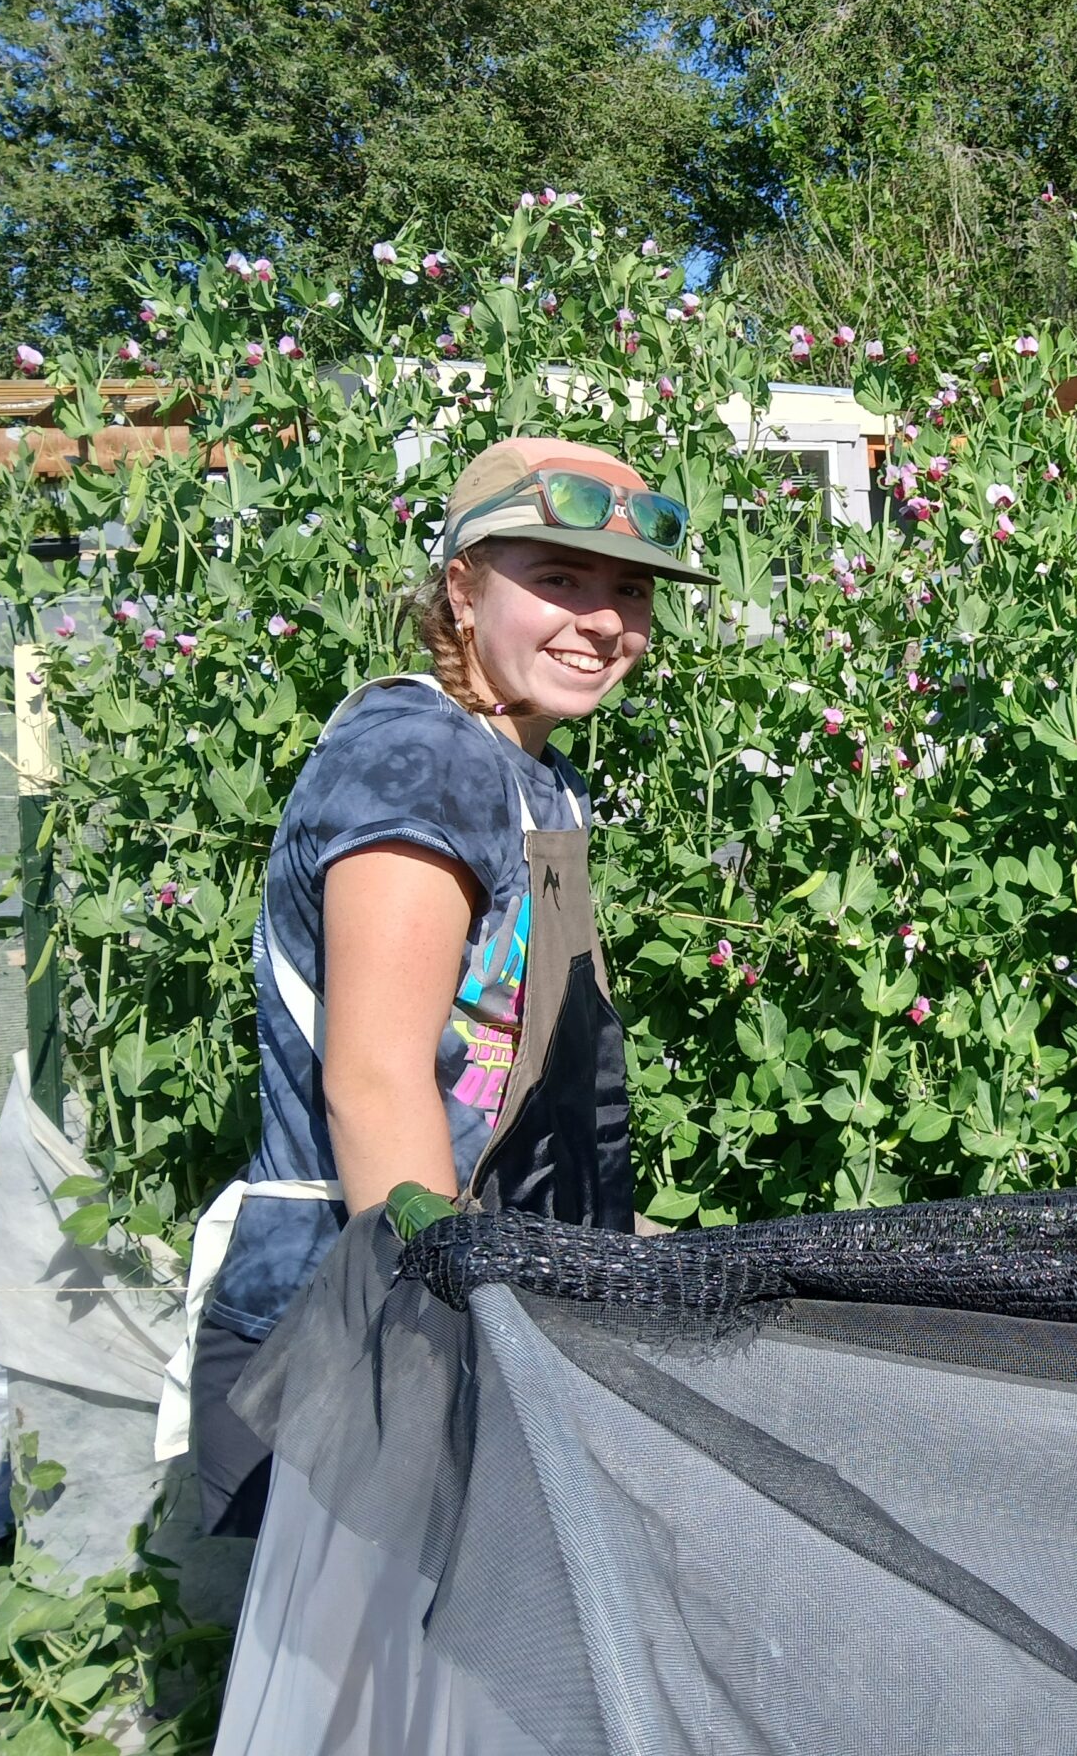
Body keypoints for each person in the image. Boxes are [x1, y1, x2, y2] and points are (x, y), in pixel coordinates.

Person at [160, 436, 712, 1535]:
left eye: (629, 589)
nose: (602, 620)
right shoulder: (418, 755)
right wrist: (445, 1347)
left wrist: (614, 1246)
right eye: (556, 578)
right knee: (368, 1703)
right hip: (344, 1333)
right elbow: (375, 1082)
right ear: (462, 589)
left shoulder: (536, 775)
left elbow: (506, 1084)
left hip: (467, 1292)